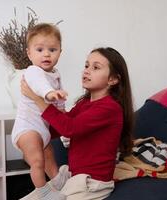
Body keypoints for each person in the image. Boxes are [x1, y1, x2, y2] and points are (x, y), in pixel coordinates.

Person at [21, 47, 135, 200]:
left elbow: (69, 128)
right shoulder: (84, 103)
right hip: (74, 177)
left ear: (113, 79)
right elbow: (59, 128)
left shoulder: (110, 108)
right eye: (86, 65)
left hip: (92, 183)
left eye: (95, 67)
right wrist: (32, 130)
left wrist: (38, 100)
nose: (87, 71)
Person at [11, 23, 70, 200]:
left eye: (52, 49)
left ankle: (57, 180)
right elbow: (39, 85)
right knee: (37, 161)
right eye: (40, 49)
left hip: (42, 129)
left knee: (48, 156)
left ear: (60, 51)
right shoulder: (33, 71)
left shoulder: (56, 75)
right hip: (26, 128)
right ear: (29, 53)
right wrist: (50, 94)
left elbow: (59, 106)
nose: (46, 54)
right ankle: (43, 192)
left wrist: (64, 117)